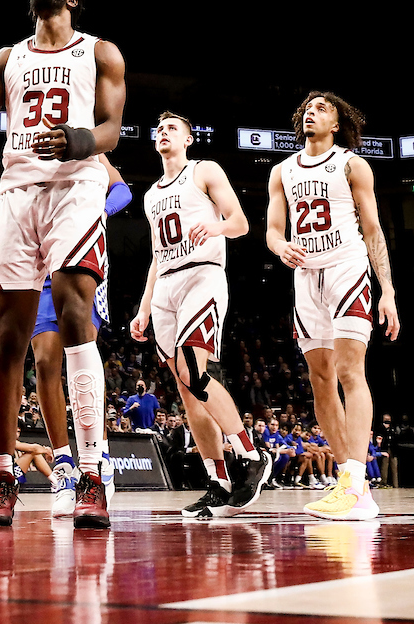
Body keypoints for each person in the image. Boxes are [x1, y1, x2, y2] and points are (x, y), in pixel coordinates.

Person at [0, 0, 126, 528]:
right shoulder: (7, 58)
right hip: (17, 191)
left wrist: (77, 141)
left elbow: (113, 128)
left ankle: (91, 472)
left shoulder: (100, 52)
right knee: (10, 335)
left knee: (74, 310)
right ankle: (3, 476)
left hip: (77, 184)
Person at [266, 90, 400, 519]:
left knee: (348, 370)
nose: (312, 112)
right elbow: (272, 229)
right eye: (308, 108)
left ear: (337, 124)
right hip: (305, 278)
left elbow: (373, 230)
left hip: (347, 268)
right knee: (319, 378)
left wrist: (389, 291)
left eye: (322, 109)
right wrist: (279, 246)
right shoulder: (281, 171)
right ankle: (346, 481)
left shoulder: (351, 164)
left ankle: (359, 481)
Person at [131, 112, 272, 519]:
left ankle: (250, 453)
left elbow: (241, 223)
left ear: (189, 139)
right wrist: (143, 309)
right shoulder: (152, 194)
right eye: (159, 128)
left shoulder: (204, 170)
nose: (163, 132)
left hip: (202, 277)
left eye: (172, 128)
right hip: (167, 287)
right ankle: (219, 480)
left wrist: (214, 228)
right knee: (187, 391)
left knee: (195, 371)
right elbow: (157, 257)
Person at [30, 154, 132, 517]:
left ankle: (98, 458)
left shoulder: (88, 143)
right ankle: (62, 469)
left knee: (81, 357)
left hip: (82, 253)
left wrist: (101, 211)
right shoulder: (28, 140)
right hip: (39, 259)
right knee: (44, 360)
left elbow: (122, 189)